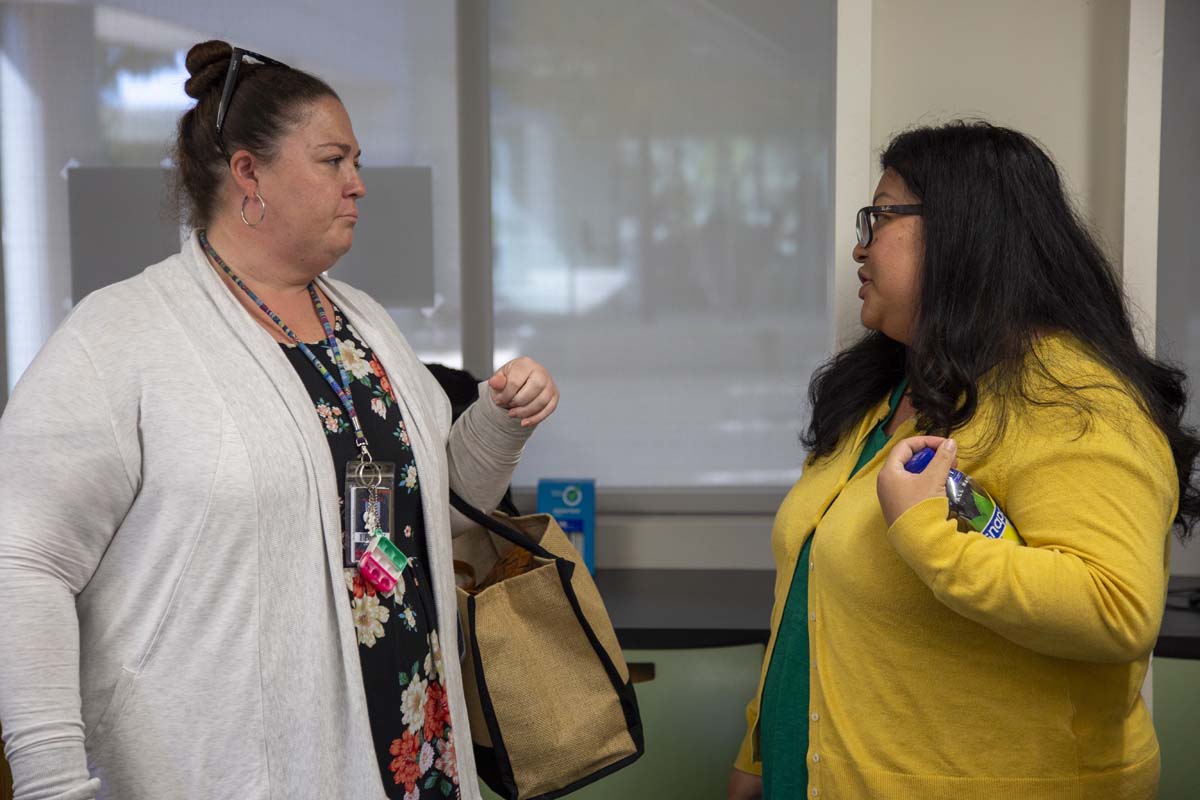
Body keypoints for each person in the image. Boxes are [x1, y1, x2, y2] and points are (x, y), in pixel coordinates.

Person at [0, 40, 558, 800]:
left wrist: (499, 420)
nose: (359, 185)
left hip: (411, 749)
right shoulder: (121, 336)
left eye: (356, 162)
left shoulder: (365, 327)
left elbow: (438, 510)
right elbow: (22, 563)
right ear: (248, 175)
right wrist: (50, 782)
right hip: (223, 769)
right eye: (334, 161)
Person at [727, 121, 1199, 800]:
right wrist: (758, 751)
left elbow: (1114, 610)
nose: (859, 247)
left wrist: (924, 531)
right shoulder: (883, 393)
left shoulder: (1077, 402)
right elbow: (809, 599)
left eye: (881, 217)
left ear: (962, 232)